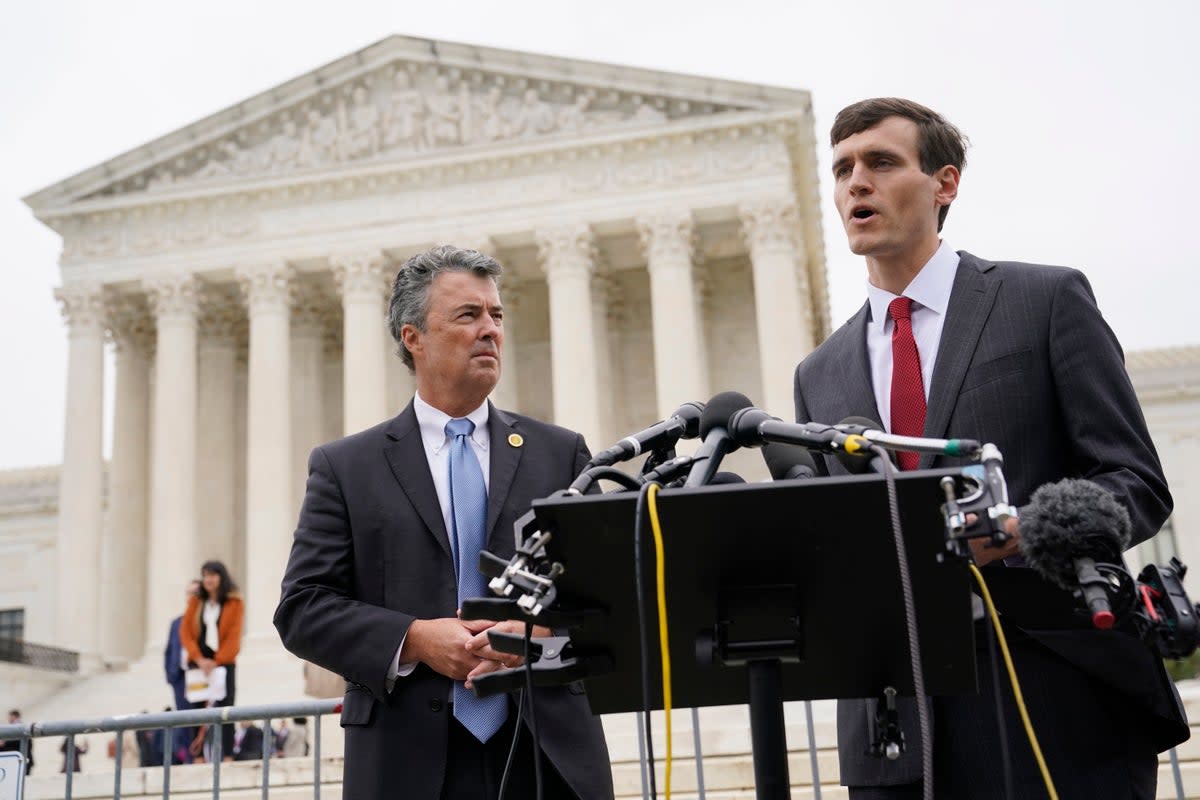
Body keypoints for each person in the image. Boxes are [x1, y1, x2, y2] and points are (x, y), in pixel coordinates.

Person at [793, 97, 1188, 799]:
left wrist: (1025, 529)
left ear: (944, 184)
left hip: (1058, 697)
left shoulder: (1044, 300)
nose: (857, 182)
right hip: (896, 727)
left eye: (882, 162)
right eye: (843, 168)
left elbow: (1135, 481)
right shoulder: (817, 374)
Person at [275, 245, 613, 800]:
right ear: (414, 337)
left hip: (548, 754)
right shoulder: (346, 468)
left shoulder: (562, 456)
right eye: (468, 315)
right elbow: (302, 608)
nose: (490, 330)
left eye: (496, 316)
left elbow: (606, 597)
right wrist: (414, 639)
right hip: (407, 761)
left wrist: (538, 634)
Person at [180, 560, 244, 762]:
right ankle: (198, 757)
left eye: (212, 575)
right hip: (199, 665)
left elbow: (234, 636)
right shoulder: (196, 602)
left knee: (226, 711)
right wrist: (199, 659)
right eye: (205, 575)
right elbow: (186, 633)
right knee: (196, 711)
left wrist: (216, 662)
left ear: (221, 577)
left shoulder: (235, 603)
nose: (208, 579)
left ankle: (227, 755)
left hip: (223, 665)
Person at [165, 580, 200, 764]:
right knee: (183, 719)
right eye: (189, 593)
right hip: (180, 678)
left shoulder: (202, 620)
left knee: (197, 720)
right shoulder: (176, 623)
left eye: (195, 592)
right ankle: (187, 758)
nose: (191, 597)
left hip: (198, 677)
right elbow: (169, 650)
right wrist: (171, 676)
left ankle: (196, 757)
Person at [0, 709, 33, 774]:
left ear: (14, 716)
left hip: (19, 760)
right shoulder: (21, 727)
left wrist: (4, 743)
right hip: (20, 760)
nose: (9, 719)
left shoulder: (17, 727)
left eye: (10, 717)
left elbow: (17, 742)